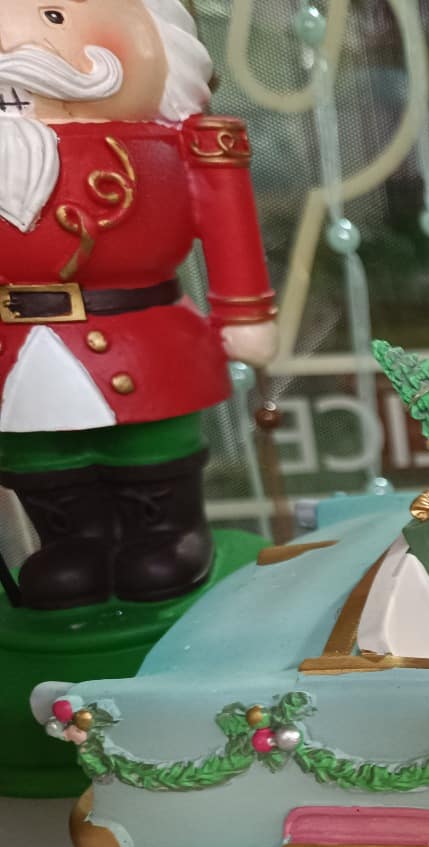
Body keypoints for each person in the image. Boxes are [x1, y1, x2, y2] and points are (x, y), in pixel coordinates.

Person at [0, 0, 277, 608]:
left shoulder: (179, 147)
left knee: (150, 448)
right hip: (13, 347)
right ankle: (71, 543)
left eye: (53, 17)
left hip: (138, 335)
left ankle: (166, 533)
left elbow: (227, 225)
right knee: (40, 455)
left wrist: (245, 313)